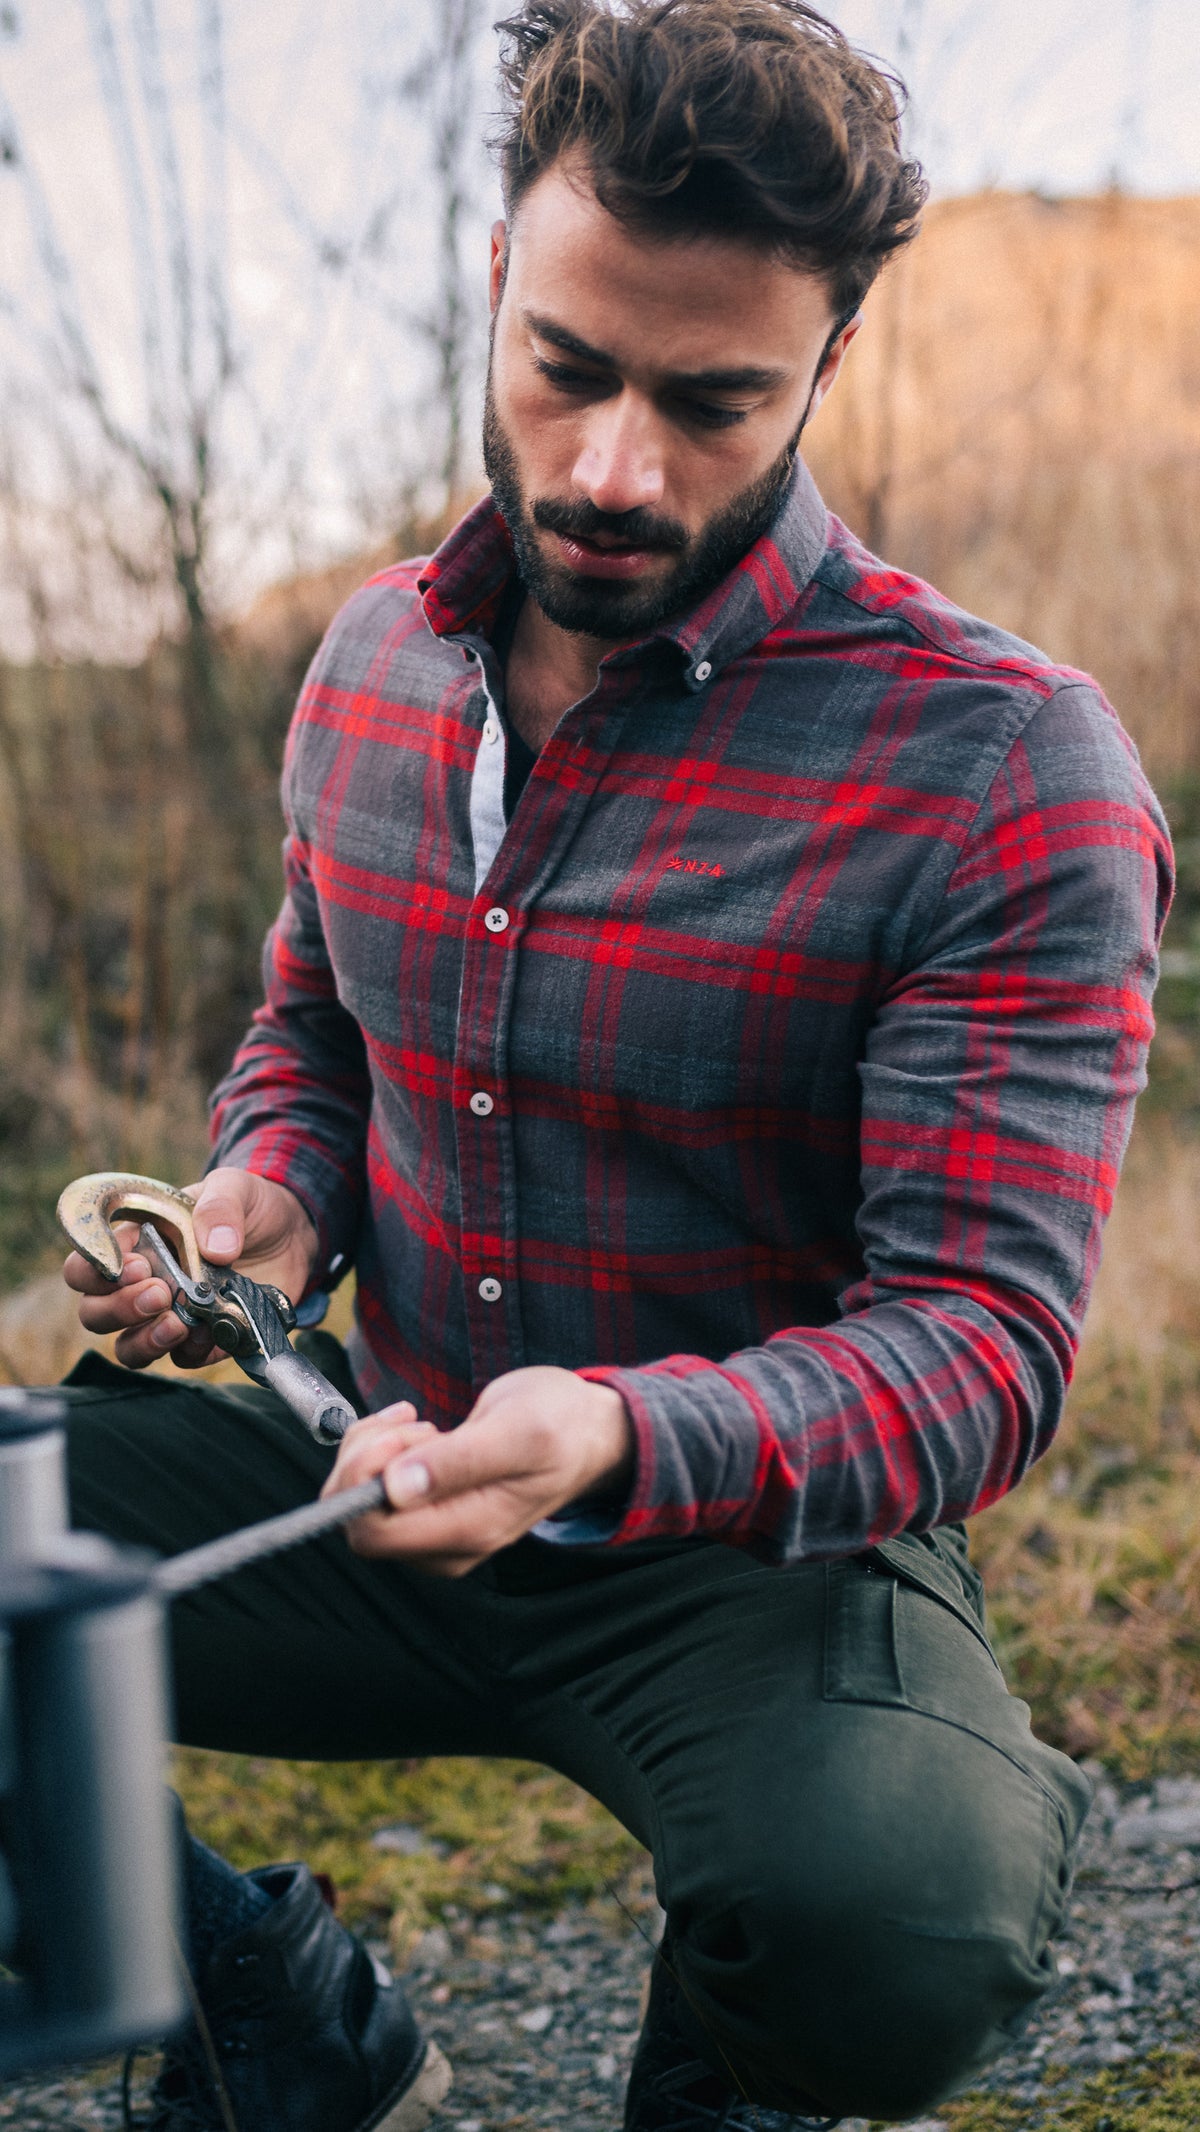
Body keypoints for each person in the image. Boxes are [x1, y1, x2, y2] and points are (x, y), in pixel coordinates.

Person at [58, 3, 1172, 2128]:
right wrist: (267, 1184)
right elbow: (311, 1025)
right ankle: (266, 2013)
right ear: (497, 281)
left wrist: (615, 1433)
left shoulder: (1003, 766)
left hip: (745, 1561)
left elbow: (983, 1342)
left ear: (828, 363)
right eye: (570, 365)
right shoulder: (372, 660)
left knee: (896, 1910)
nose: (612, 469)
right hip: (357, 1472)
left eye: (710, 399)